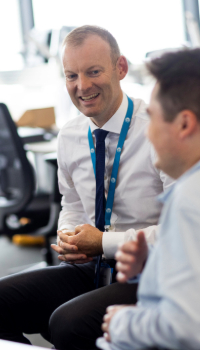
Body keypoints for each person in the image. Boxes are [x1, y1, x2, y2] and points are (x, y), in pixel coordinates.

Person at [0, 25, 172, 350]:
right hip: (91, 267)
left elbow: (180, 233)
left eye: (93, 72)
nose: (82, 86)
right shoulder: (70, 135)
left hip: (148, 271)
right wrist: (69, 234)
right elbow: (71, 202)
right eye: (71, 76)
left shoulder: (158, 133)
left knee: (67, 324)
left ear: (121, 68)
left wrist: (104, 242)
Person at [98, 48, 200, 350]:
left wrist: (122, 323)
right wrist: (153, 263)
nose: (149, 134)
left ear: (184, 124)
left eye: (153, 119)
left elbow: (186, 327)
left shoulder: (188, 200)